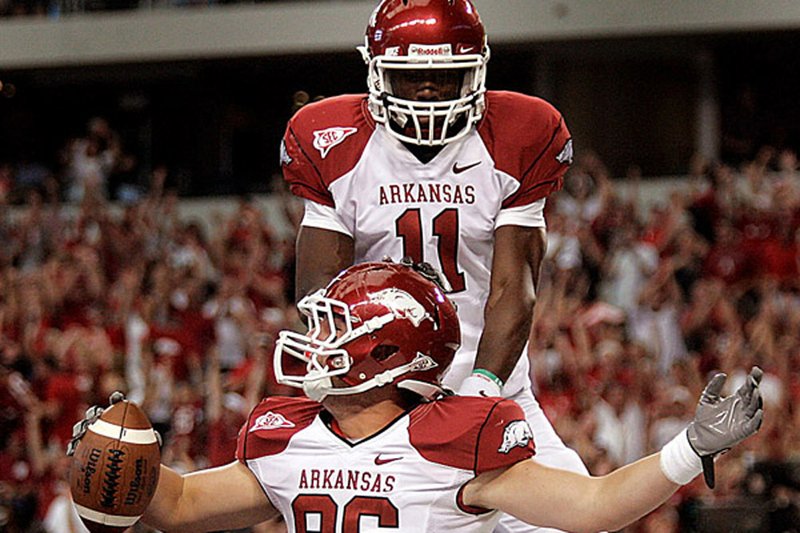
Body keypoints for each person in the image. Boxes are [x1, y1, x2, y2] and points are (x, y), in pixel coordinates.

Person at [68, 261, 763, 533]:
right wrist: (118, 462)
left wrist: (686, 448)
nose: (314, 344)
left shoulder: (454, 438)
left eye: (335, 331)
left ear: (390, 355)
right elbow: (180, 504)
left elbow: (592, 507)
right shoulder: (285, 432)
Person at [279, 2, 584, 530]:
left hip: (492, 393)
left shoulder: (518, 133)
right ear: (376, 72)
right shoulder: (330, 139)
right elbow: (319, 295)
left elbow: (515, 287)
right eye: (411, 75)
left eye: (445, 75)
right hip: (381, 405)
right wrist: (364, 403)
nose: (428, 90)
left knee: (582, 520)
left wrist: (480, 395)